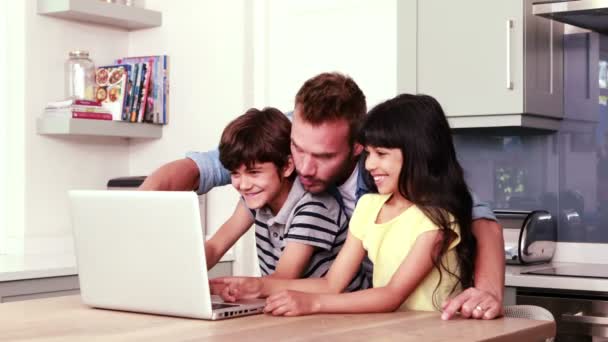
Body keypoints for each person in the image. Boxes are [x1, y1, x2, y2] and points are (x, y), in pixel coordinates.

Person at [140, 72, 505, 320]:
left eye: (325, 156)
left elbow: (477, 217)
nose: (305, 167)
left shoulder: (394, 182)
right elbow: (203, 167)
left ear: (358, 147)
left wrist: (488, 292)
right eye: (298, 150)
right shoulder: (288, 136)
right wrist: (139, 206)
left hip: (395, 312)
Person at [210, 94, 476, 315]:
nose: (370, 165)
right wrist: (266, 290)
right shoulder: (368, 207)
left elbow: (391, 295)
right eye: (369, 153)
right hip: (385, 327)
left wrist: (311, 303)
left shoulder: (437, 220)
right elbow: (331, 283)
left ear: (420, 154)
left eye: (381, 154)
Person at [204, 107, 368, 289]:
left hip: (343, 311)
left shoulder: (314, 207)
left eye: (254, 172)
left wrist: (233, 286)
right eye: (235, 174)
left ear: (287, 166)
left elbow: (284, 277)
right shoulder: (256, 198)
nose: (243, 185)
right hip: (293, 303)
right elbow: (215, 247)